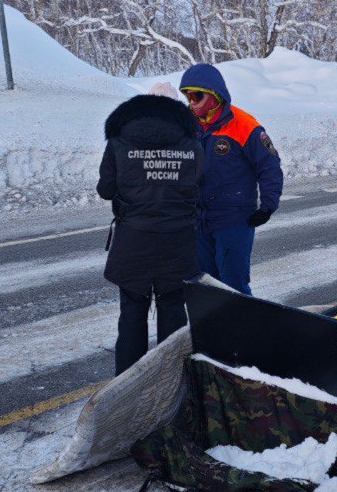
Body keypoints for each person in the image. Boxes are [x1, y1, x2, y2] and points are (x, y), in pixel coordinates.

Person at [96, 90, 201, 375]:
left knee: (131, 315)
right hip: (177, 242)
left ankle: (127, 386)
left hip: (133, 242)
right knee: (173, 314)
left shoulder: (118, 142)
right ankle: (173, 384)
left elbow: (105, 189)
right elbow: (199, 186)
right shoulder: (192, 144)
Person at [178, 63, 283, 296]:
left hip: (233, 219)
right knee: (206, 285)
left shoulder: (244, 125)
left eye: (197, 95)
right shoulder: (187, 125)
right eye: (187, 96)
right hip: (199, 219)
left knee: (233, 286)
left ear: (215, 95)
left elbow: (270, 166)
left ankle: (244, 332)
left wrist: (267, 206)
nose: (191, 102)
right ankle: (216, 332)